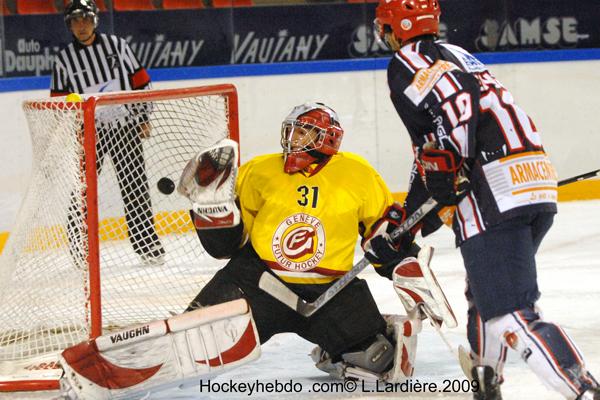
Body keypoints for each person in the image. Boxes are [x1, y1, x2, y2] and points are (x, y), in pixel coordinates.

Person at [56, 103, 456, 399]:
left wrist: (402, 262)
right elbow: (226, 248)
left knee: (377, 360)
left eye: (303, 134)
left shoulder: (358, 173)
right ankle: (113, 369)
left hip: (329, 291)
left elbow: (384, 237)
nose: (293, 140)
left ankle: (341, 345)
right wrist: (211, 213)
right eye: (292, 132)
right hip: (257, 283)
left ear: (328, 139)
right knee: (190, 340)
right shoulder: (259, 170)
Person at [374, 1, 599, 399]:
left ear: (393, 28)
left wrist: (449, 164)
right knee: (484, 292)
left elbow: (455, 112)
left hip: (492, 189)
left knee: (510, 313)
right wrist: (410, 218)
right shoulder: (459, 55)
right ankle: (485, 381)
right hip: (532, 180)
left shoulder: (408, 59)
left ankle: (582, 389)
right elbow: (437, 147)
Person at [50, 0, 164, 265]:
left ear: (95, 21)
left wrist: (144, 117)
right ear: (69, 25)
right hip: (91, 132)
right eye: (76, 21)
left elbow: (141, 82)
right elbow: (58, 101)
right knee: (83, 189)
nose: (81, 26)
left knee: (135, 185)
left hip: (125, 127)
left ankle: (147, 245)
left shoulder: (118, 46)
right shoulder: (64, 60)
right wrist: (73, 129)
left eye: (85, 19)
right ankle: (81, 248)